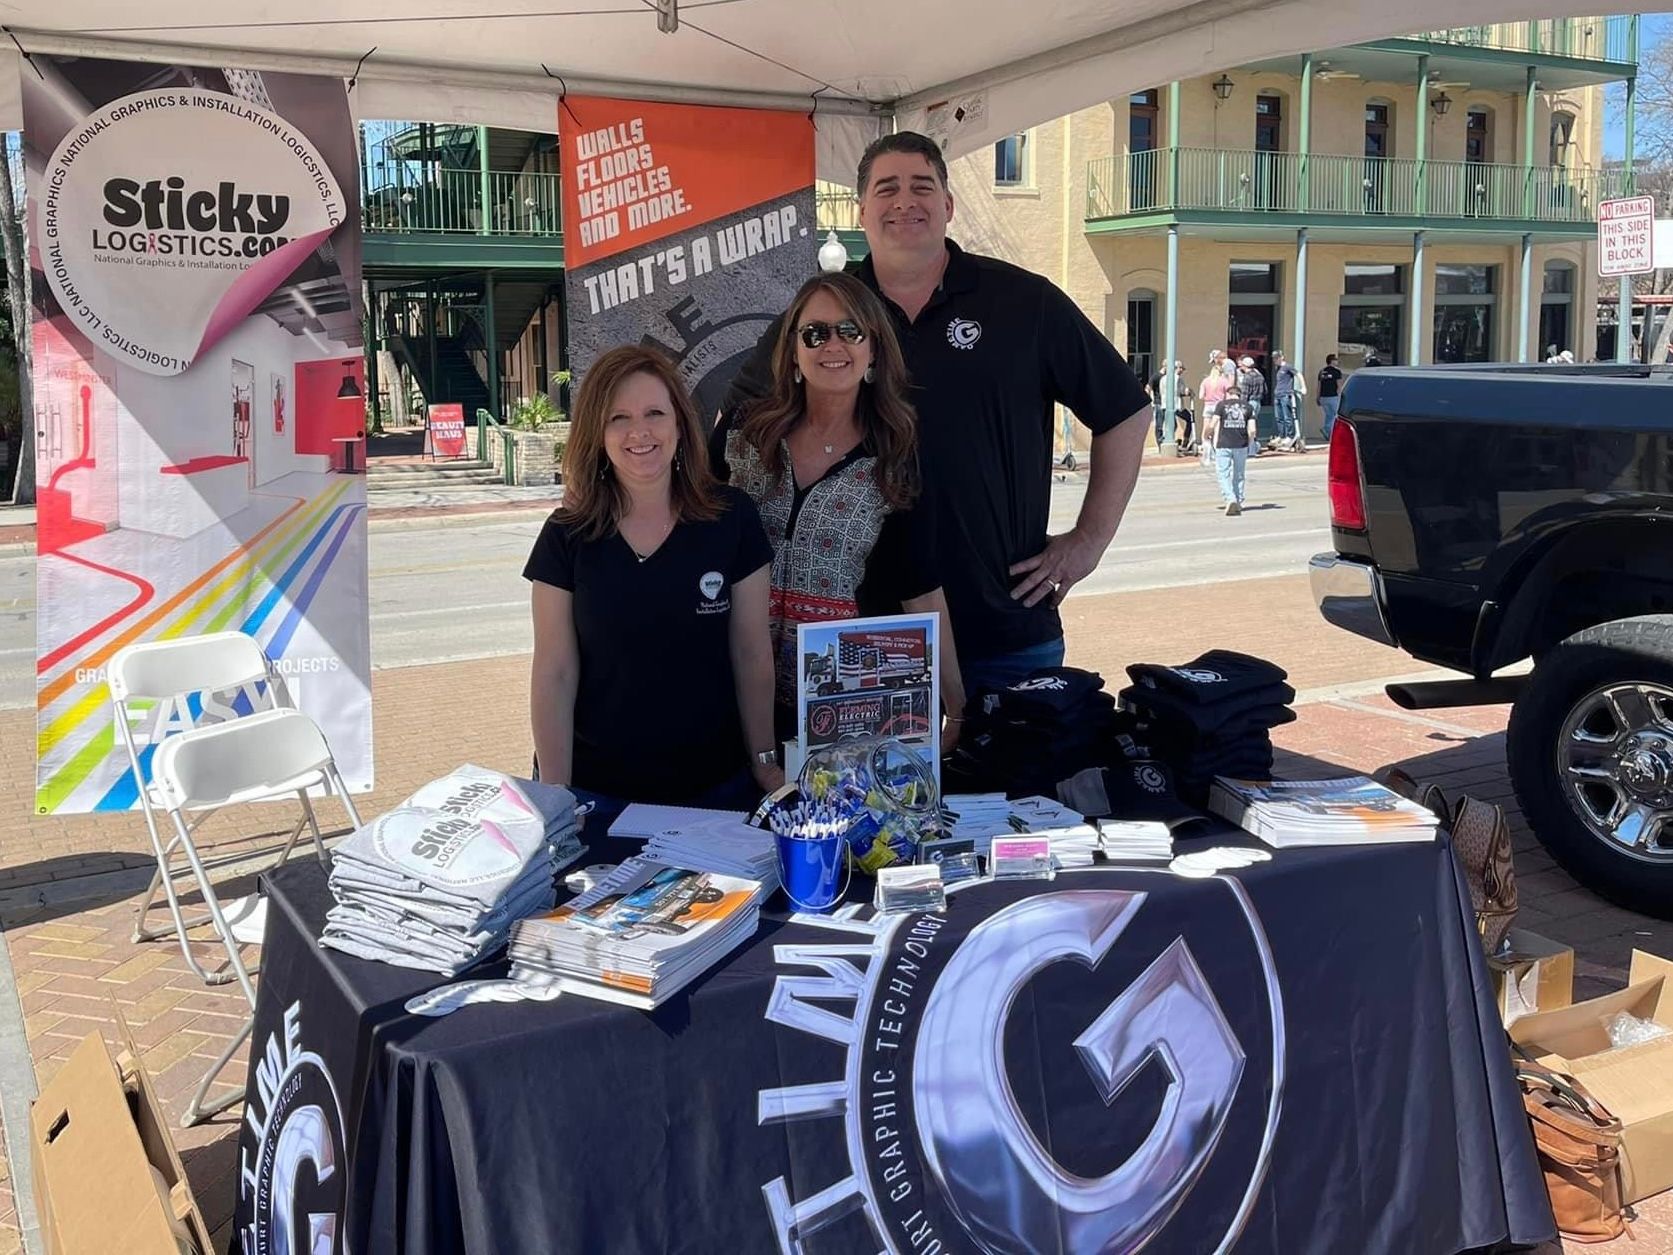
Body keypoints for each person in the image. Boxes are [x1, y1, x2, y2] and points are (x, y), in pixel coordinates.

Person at [724, 131, 1150, 696]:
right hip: (869, 650)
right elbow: (736, 423)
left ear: (948, 205)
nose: (905, 201)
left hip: (1007, 632)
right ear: (863, 211)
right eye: (887, 189)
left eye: (922, 186)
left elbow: (1126, 411)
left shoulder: (1024, 303)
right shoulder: (824, 314)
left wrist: (1089, 540)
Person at [712, 271, 967, 745]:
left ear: (873, 350)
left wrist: (955, 707)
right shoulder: (743, 432)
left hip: (842, 705)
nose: (833, 344)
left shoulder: (894, 456)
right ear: (792, 352)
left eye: (850, 331)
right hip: (726, 688)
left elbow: (921, 587)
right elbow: (684, 520)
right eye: (815, 333)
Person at [526, 346, 782, 808]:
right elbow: (554, 673)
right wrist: (556, 797)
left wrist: (764, 762)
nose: (639, 432)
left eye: (654, 413)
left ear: (680, 424)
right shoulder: (565, 536)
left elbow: (751, 653)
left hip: (716, 793)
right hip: (597, 794)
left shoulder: (732, 519)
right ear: (596, 434)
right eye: (618, 417)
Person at [1204, 380, 1256, 516]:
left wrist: (1206, 435)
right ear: (1240, 395)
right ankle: (1238, 501)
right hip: (1241, 444)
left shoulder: (1221, 405)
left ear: (1228, 394)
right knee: (1239, 475)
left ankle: (1230, 498)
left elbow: (1213, 423)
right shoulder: (1248, 407)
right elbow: (1252, 430)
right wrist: (1250, 443)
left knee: (1223, 474)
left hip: (1224, 444)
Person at [1271, 351, 1299, 451]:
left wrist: (1303, 387)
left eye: (1277, 358)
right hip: (1277, 395)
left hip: (1285, 394)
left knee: (1287, 416)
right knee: (1279, 417)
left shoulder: (1288, 367)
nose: (1275, 360)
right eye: (1274, 358)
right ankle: (1281, 435)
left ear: (1281, 357)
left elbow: (1298, 374)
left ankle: (1289, 436)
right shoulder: (1278, 369)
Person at [1317, 353, 1345, 441]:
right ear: (1332, 361)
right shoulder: (1337, 371)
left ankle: (1328, 434)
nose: (1337, 361)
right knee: (1335, 415)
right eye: (1335, 359)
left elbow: (1319, 385)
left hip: (1323, 397)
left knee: (1328, 415)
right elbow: (1339, 385)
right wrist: (1340, 395)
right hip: (1333, 396)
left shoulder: (1322, 371)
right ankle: (1326, 429)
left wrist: (1318, 397)